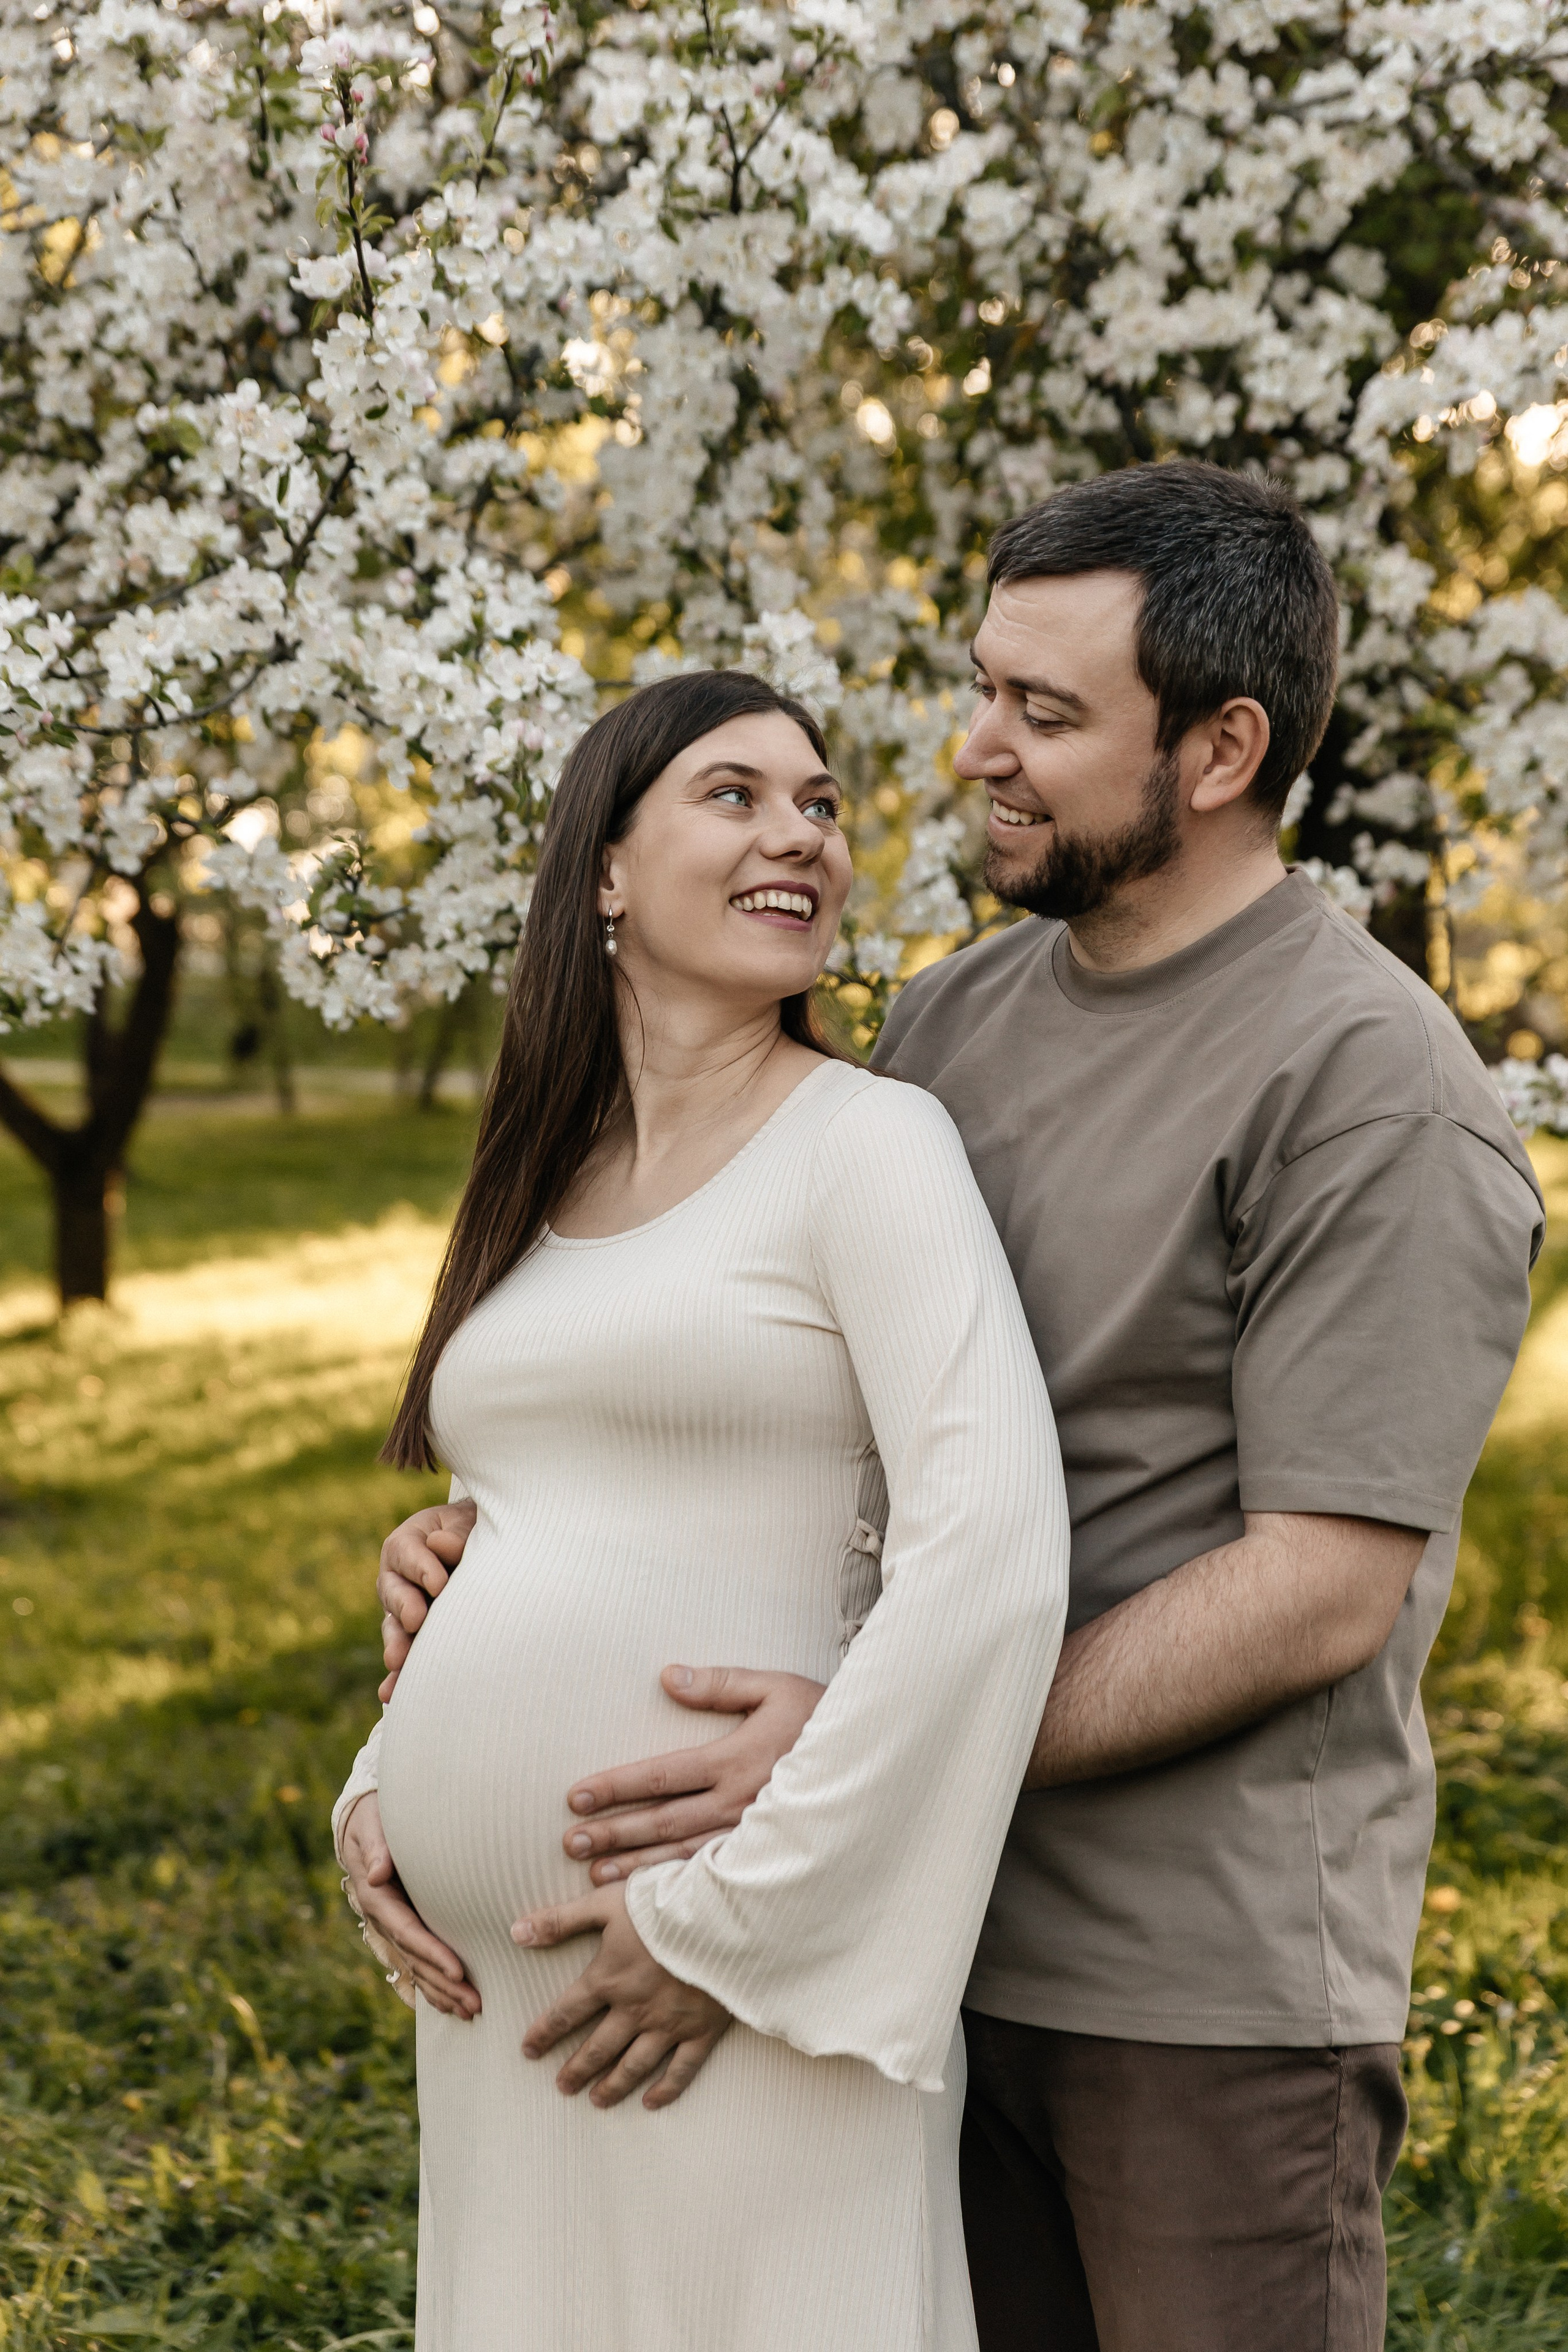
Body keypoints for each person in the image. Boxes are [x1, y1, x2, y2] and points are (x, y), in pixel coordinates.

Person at [363, 462, 1546, 2351]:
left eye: (1047, 714)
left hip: (1191, 1988)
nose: (974, 748)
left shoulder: (1368, 1083)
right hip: (903, 1940)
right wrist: (506, 1548)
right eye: (984, 686)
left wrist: (861, 1752)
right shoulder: (952, 1026)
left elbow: (1324, 1582)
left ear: (1221, 749)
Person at [331, 667, 1071, 2351]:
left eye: (818, 803)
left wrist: (734, 1933)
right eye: (733, 795)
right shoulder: (541, 1177)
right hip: (511, 1990)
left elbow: (997, 1563)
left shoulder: (871, 1147)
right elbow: (506, 1531)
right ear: (603, 866)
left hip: (744, 1971)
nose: (797, 833)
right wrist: (383, 1790)